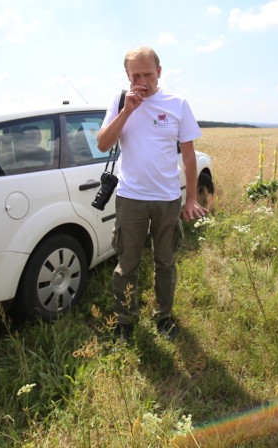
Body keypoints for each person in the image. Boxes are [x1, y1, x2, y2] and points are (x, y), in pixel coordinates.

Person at [97, 46, 207, 343]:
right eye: (136, 75)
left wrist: (192, 198)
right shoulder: (120, 101)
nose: (143, 81)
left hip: (167, 199)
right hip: (130, 197)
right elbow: (103, 144)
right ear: (127, 75)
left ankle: (164, 316)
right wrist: (127, 111)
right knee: (127, 263)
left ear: (159, 71)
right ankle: (124, 319)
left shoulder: (177, 104)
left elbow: (188, 155)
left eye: (148, 74)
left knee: (165, 262)